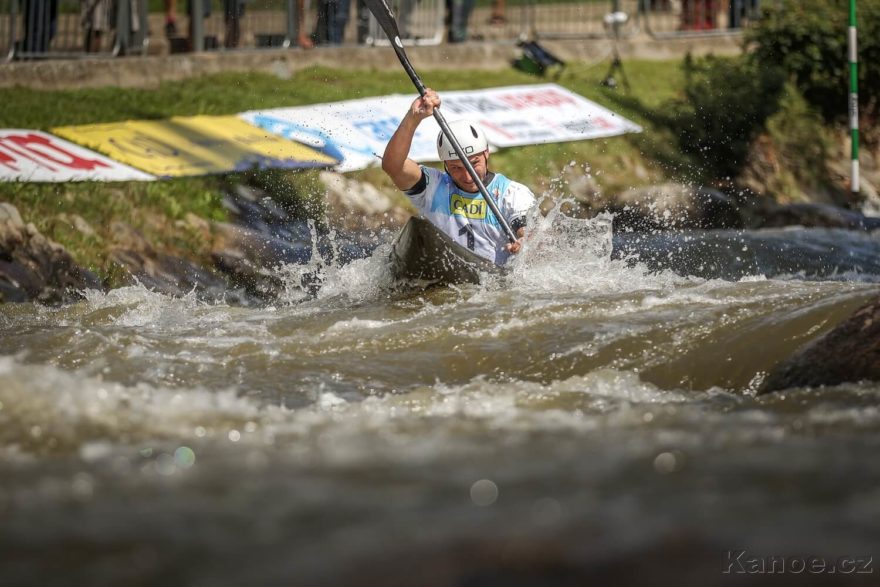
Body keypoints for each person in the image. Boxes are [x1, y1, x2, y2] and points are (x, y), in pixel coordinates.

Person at [381, 89, 535, 266]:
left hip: (490, 282)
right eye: (456, 168)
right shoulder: (432, 186)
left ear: (486, 153)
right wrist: (413, 118)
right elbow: (392, 166)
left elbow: (528, 232)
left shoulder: (512, 193)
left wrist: (525, 243)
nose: (468, 176)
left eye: (474, 163)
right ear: (445, 164)